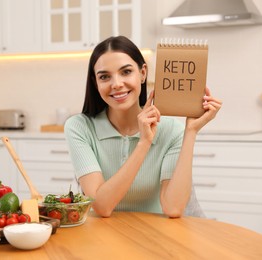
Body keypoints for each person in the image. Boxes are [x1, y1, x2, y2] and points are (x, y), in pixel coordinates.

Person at [64, 36, 222, 218]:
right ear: (95, 82)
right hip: (99, 238)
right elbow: (102, 206)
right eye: (105, 76)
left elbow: (173, 209)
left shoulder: (171, 131)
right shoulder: (79, 127)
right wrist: (144, 142)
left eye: (126, 72)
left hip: (153, 238)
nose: (116, 84)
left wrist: (191, 132)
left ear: (143, 73)